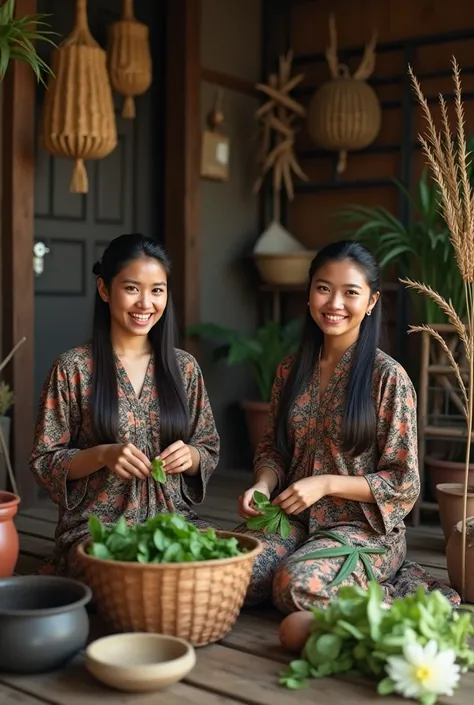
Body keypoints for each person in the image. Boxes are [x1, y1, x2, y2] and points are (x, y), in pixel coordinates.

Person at [236, 240, 460, 613]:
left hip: (363, 528)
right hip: (291, 519)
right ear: (309, 293)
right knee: (230, 573)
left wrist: (325, 483)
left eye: (350, 293)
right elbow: (273, 450)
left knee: (296, 585)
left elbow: (404, 482)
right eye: (323, 288)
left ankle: (401, 595)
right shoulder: (290, 370)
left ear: (371, 301)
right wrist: (263, 483)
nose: (334, 304)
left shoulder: (388, 377)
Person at [30, 233, 220, 579]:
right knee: (127, 574)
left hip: (174, 526)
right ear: (105, 290)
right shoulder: (73, 368)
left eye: (157, 290)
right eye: (132, 288)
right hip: (97, 532)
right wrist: (102, 455)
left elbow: (207, 446)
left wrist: (191, 457)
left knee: (222, 569)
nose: (145, 303)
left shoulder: (185, 368)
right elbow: (44, 460)